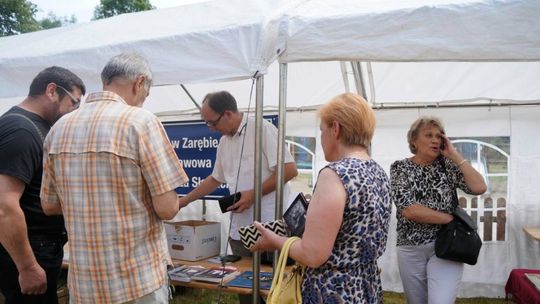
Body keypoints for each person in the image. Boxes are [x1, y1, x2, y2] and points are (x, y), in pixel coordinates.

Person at [40, 53, 189, 304]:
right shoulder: (141, 122)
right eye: (146, 93)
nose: (143, 100)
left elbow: (50, 205)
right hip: (137, 279)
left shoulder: (59, 128)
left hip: (85, 280)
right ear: (139, 82)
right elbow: (167, 208)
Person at [251, 92, 392, 303]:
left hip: (333, 291)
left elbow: (312, 255)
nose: (322, 138)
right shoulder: (379, 172)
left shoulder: (334, 175)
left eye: (322, 130)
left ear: (335, 128)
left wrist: (276, 241)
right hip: (366, 286)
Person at [178, 91, 298, 303]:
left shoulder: (262, 130)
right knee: (244, 289)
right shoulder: (224, 142)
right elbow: (215, 179)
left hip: (269, 228)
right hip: (240, 230)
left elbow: (289, 170)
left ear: (227, 114)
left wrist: (253, 195)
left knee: (272, 291)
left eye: (212, 123)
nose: (212, 129)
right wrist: (184, 201)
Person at [0, 66, 85, 304]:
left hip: (41, 247)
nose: (74, 110)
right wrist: (27, 267)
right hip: (30, 251)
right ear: (51, 91)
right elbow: (4, 205)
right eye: (74, 102)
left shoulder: (38, 126)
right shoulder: (21, 130)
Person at [390, 116, 487, 304]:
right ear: (413, 141)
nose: (436, 140)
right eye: (429, 135)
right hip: (410, 248)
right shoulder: (400, 167)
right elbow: (409, 210)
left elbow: (479, 187)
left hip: (446, 245)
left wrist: (455, 155)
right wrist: (449, 219)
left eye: (439, 136)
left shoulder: (448, 166)